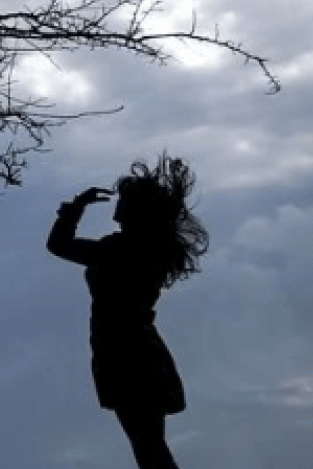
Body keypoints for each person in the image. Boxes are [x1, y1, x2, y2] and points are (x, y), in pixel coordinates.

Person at [46, 155, 208, 469]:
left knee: (148, 448)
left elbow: (59, 245)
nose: (117, 205)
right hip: (132, 350)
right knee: (149, 446)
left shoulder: (121, 249)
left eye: (124, 201)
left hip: (126, 354)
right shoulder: (144, 249)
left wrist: (77, 207)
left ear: (136, 211)